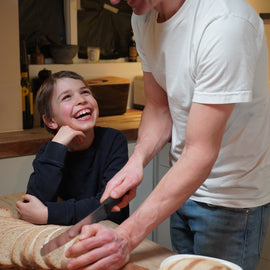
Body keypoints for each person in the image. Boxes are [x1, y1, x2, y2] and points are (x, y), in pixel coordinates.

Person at [65, 1, 270, 270]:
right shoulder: (143, 15)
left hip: (230, 198)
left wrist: (126, 236)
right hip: (181, 188)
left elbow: (200, 152)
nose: (114, 1)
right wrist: (136, 161)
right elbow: (159, 108)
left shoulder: (225, 22)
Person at [16, 71, 129, 226]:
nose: (81, 100)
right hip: (63, 236)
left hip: (107, 236)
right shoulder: (49, 152)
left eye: (85, 92)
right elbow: (34, 204)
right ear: (50, 120)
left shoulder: (113, 141)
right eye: (66, 97)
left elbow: (110, 207)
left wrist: (48, 214)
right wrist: (57, 146)